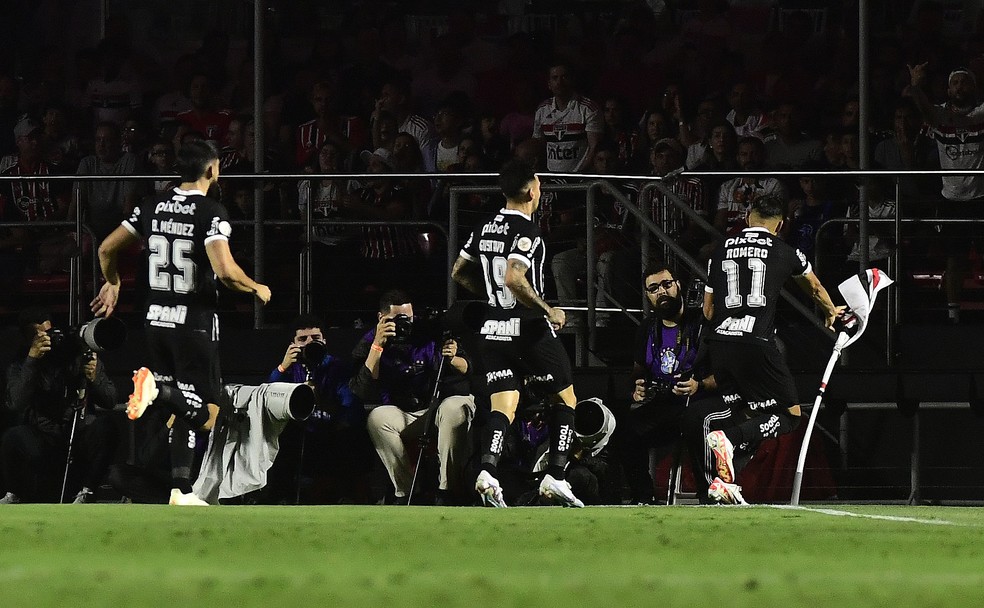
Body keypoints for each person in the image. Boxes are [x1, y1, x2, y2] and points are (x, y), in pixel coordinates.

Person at [90, 139, 272, 506]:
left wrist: (113, 282)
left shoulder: (151, 206)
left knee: (182, 412)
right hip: (194, 324)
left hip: (155, 321)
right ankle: (158, 389)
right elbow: (225, 272)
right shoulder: (211, 211)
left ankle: (180, 490)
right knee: (207, 415)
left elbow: (106, 248)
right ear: (211, 170)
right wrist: (257, 288)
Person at [451, 159, 584, 507]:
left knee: (503, 406)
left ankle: (487, 472)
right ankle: (556, 475)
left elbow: (458, 272)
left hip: (493, 329)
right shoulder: (527, 231)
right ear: (529, 190)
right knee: (565, 400)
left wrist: (494, 299)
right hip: (528, 330)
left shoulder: (484, 226)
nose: (541, 190)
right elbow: (513, 276)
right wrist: (548, 309)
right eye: (539, 184)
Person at [701, 195, 842, 505]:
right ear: (780, 224)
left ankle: (724, 482)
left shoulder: (719, 250)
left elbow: (708, 311)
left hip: (720, 346)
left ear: (748, 219)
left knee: (745, 416)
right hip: (757, 345)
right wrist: (830, 312)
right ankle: (728, 442)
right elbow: (815, 288)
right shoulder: (786, 251)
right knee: (790, 415)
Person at [349, 289, 476, 505]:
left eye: (407, 318)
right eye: (395, 320)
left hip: (438, 407)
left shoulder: (430, 331)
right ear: (381, 318)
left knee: (456, 407)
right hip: (403, 412)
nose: (403, 324)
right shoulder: (371, 340)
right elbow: (361, 389)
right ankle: (407, 492)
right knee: (378, 418)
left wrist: (452, 357)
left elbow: (470, 369)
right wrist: (377, 346)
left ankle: (445, 491)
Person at [615, 263, 716, 504]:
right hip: (663, 404)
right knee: (626, 431)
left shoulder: (701, 323)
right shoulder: (647, 328)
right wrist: (637, 387)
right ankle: (643, 498)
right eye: (653, 288)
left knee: (695, 424)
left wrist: (698, 385)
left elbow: (722, 374)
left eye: (666, 284)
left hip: (697, 402)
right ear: (648, 295)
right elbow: (638, 368)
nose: (661, 292)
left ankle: (708, 498)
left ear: (678, 286)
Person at [1, 308, 118, 504]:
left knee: (106, 426)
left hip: (78, 434)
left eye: (49, 333)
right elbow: (16, 402)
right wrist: (32, 360)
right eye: (38, 337)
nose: (47, 340)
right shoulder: (21, 362)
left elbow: (111, 400)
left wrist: (94, 377)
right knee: (12, 438)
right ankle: (14, 494)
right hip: (43, 438)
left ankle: (86, 492)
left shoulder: (76, 355)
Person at [906, 63, 984, 323]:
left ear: (973, 86)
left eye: (964, 82)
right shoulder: (938, 115)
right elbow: (923, 107)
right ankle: (953, 314)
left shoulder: (981, 113)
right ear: (948, 89)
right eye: (955, 83)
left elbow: (971, 119)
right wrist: (916, 85)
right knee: (955, 257)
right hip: (951, 199)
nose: (960, 87)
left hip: (981, 197)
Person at [267, 314, 367, 503]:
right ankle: (280, 498)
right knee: (283, 437)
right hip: (297, 434)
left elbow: (350, 406)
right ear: (293, 344)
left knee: (350, 436)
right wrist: (282, 367)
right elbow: (270, 398)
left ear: (324, 341)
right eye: (303, 339)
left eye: (315, 338)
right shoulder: (289, 367)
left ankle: (346, 497)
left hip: (331, 433)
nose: (309, 343)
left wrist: (330, 411)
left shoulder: (337, 367)